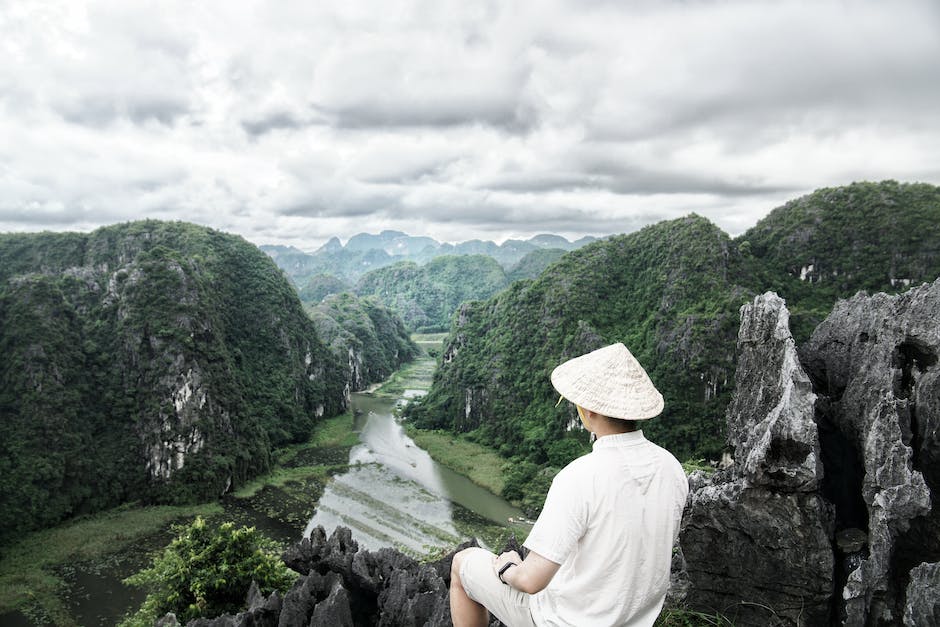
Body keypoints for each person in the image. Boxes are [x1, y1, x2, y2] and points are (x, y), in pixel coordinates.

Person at [449, 343, 689, 627]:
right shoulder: (671, 468)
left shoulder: (580, 476)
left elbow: (530, 581)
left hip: (564, 621)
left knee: (462, 564)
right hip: (634, 618)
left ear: (587, 410)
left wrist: (507, 568)